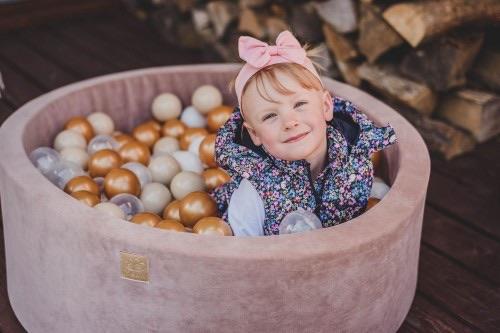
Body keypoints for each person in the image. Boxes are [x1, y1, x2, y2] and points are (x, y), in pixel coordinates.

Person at [209, 30, 397, 236]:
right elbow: (245, 254)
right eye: (270, 116)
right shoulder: (254, 191)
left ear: (326, 106)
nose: (290, 122)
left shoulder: (356, 159)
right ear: (255, 135)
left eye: (299, 104)